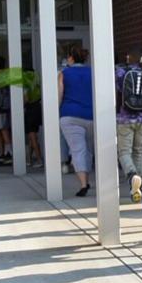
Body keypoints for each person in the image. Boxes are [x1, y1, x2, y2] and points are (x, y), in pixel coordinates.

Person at [57, 45, 95, 197]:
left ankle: (83, 184)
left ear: (71, 58)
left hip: (70, 115)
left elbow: (59, 95)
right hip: (91, 115)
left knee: (77, 150)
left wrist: (57, 111)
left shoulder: (64, 73)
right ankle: (89, 177)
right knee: (89, 150)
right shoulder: (93, 72)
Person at [115, 49, 142, 202]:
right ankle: (138, 187)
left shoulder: (120, 73)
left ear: (128, 59)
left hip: (125, 118)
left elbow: (116, 90)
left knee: (124, 151)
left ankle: (132, 176)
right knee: (139, 151)